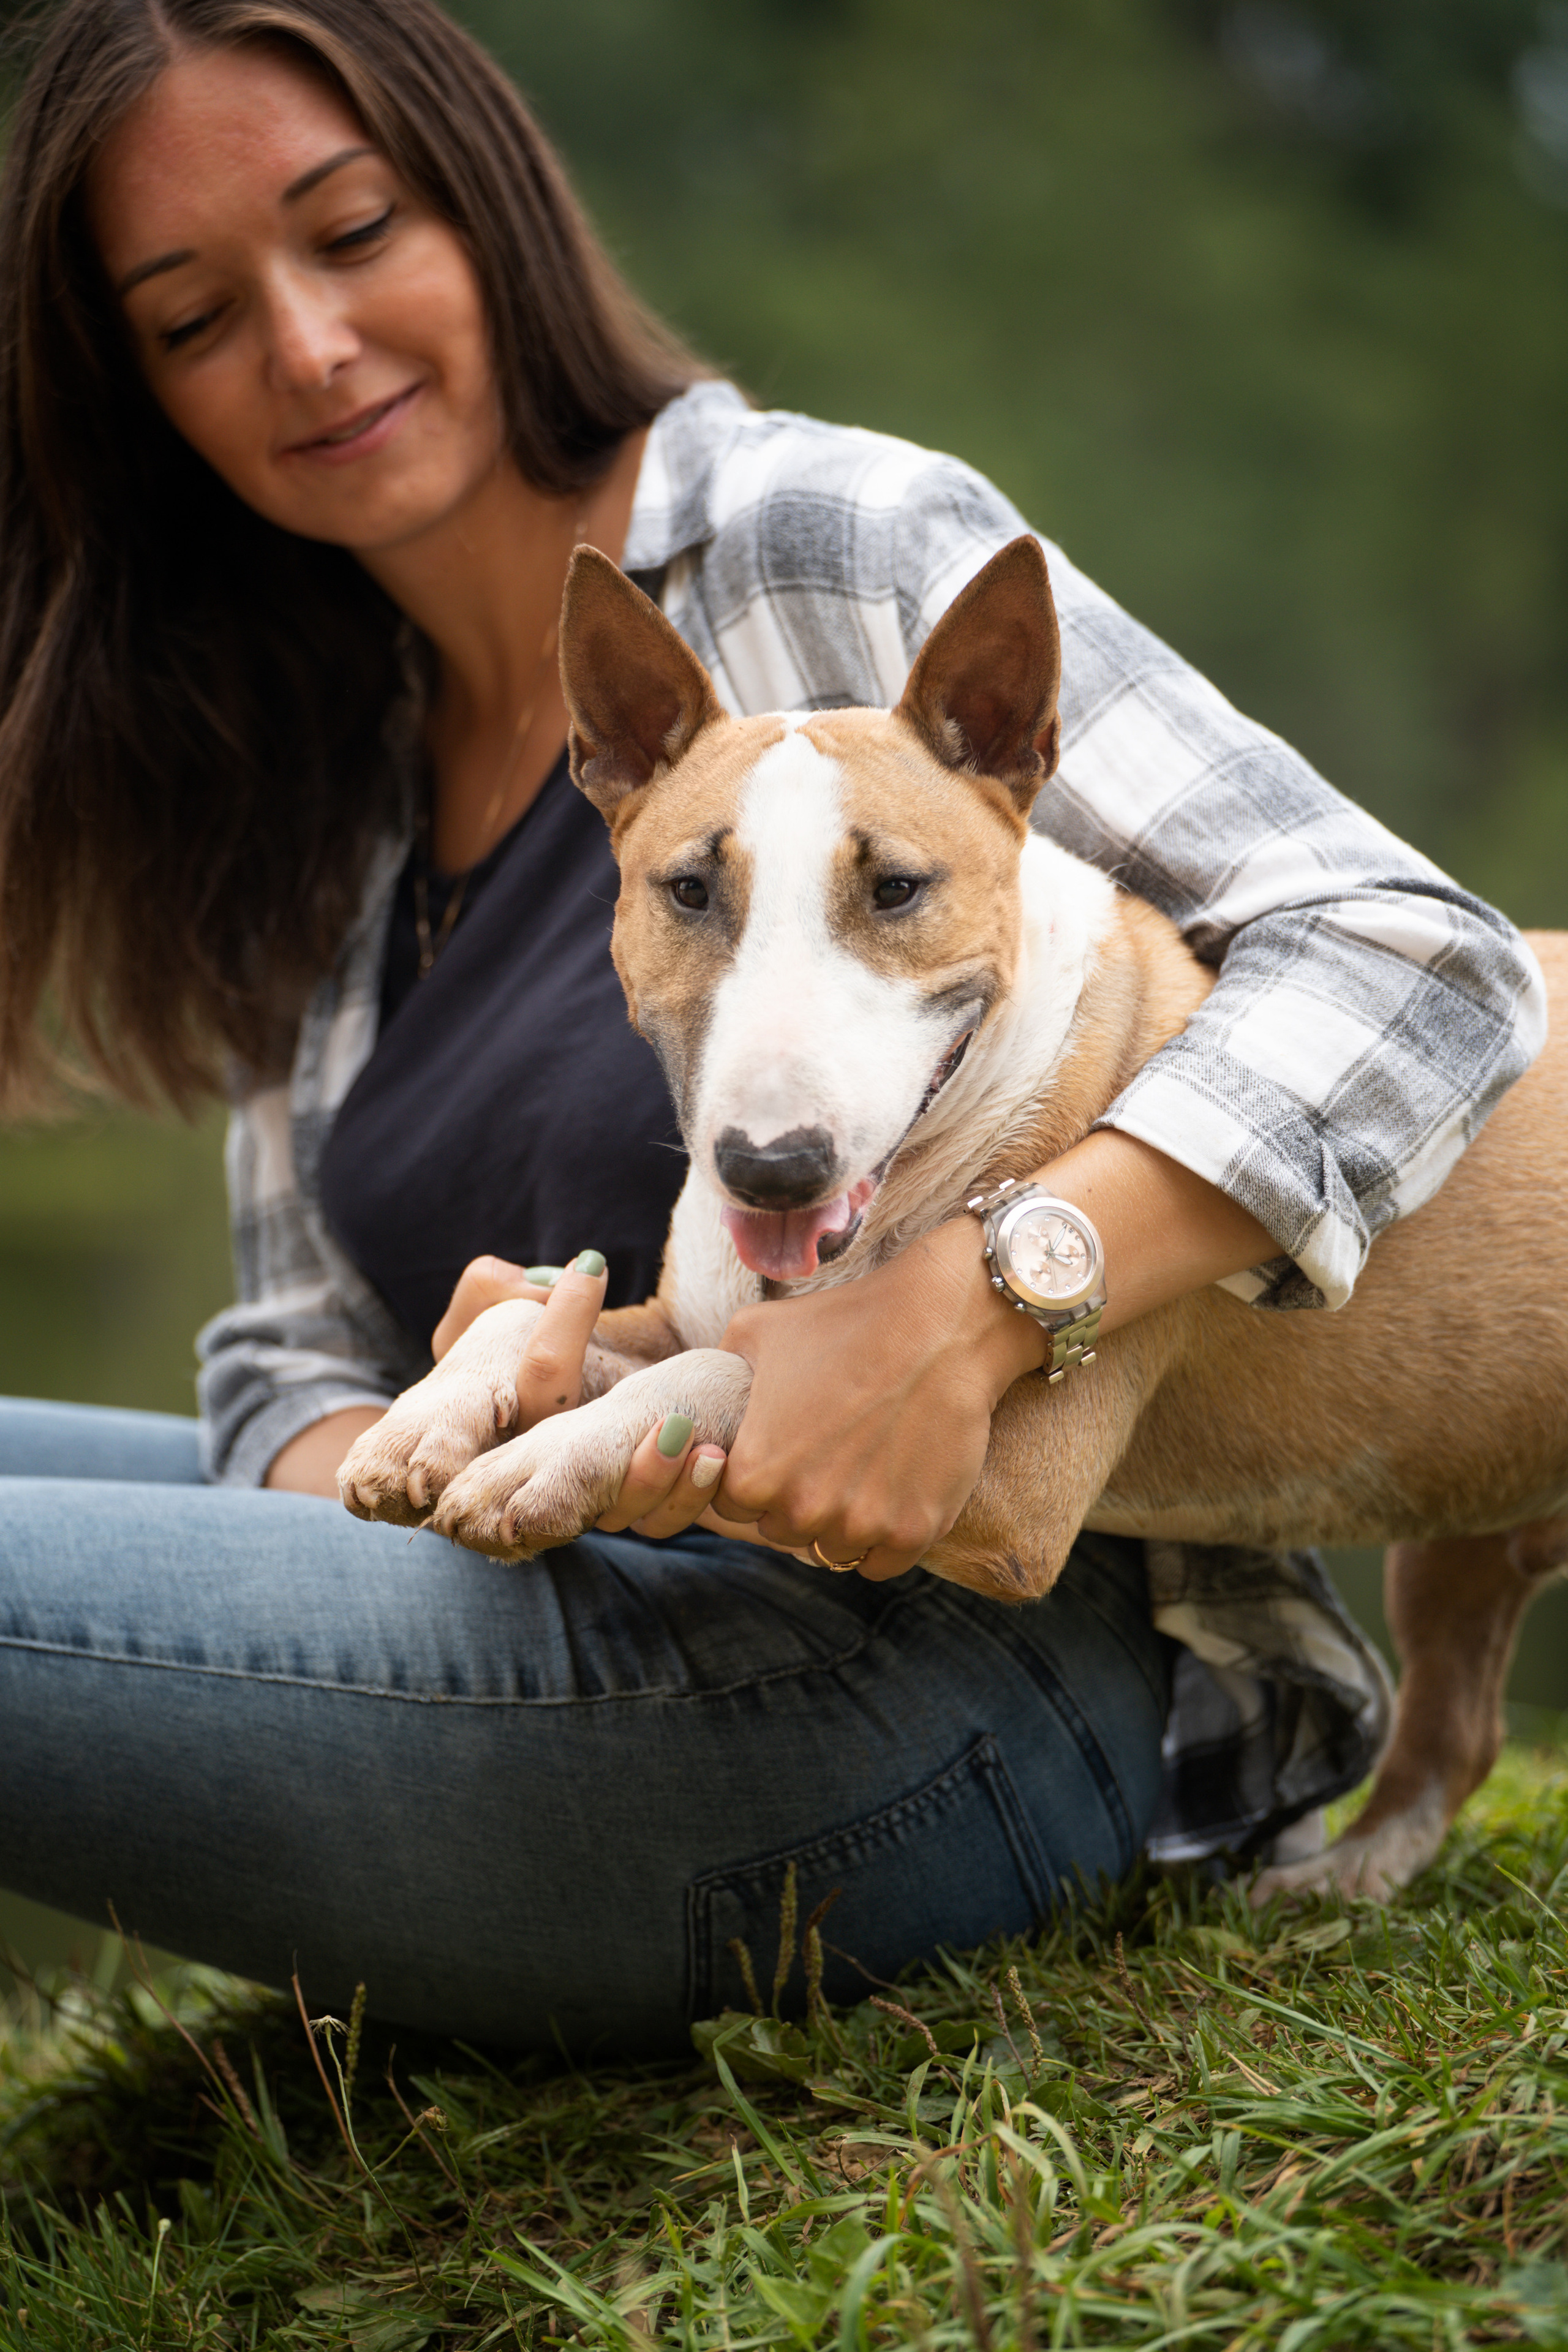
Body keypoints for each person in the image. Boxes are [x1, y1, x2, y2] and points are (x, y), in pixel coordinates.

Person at [0, 0, 1542, 2053]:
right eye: (192, 319)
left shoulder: (836, 550)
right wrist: (467, 1431)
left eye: (353, 229)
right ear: (138, 402)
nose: (304, 348)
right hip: (580, 1579)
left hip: (934, 1696)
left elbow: (1422, 959)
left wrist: (992, 1299)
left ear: (490, 208)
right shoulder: (314, 782)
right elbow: (291, 1348)